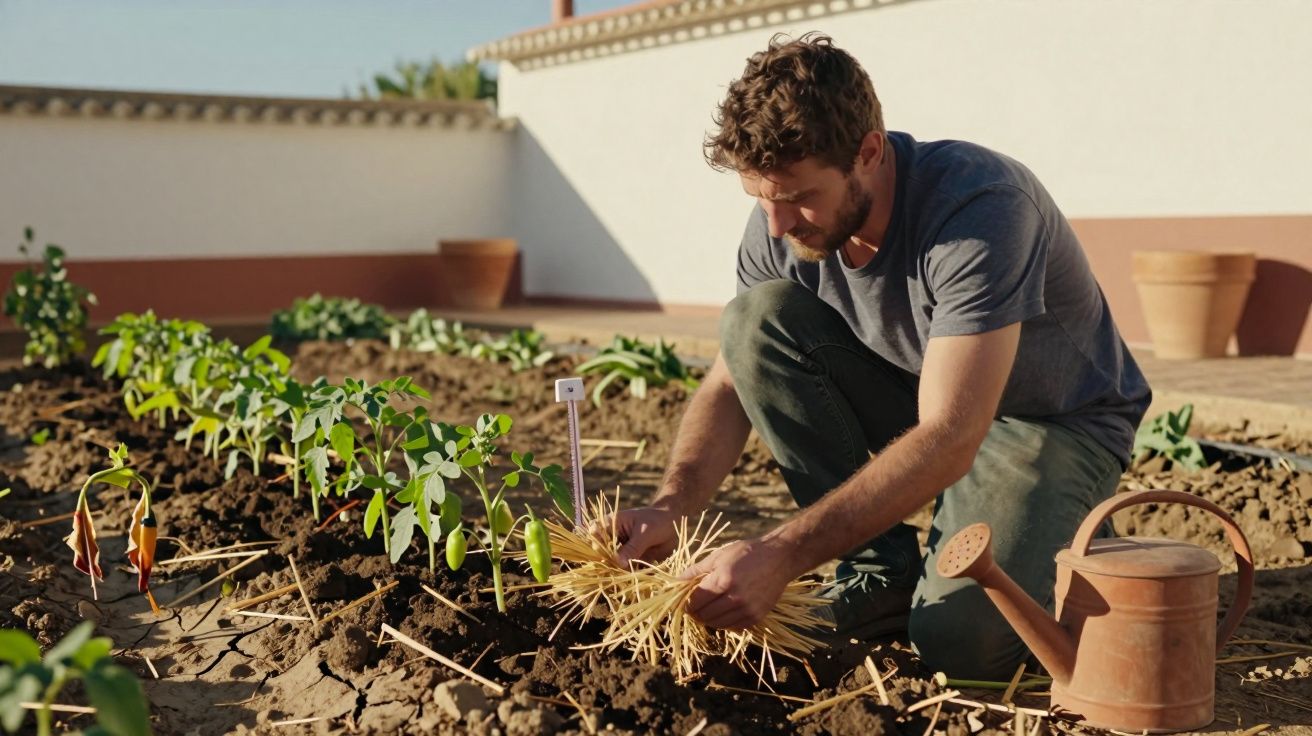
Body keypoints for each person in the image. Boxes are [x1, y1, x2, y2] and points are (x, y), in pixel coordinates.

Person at [609, 33, 1152, 679]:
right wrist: (672, 504)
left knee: (960, 647)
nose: (777, 225)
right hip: (928, 398)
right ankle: (879, 572)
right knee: (754, 320)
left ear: (868, 152)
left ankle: (1062, 536)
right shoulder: (779, 220)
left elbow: (951, 436)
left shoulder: (979, 208)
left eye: (798, 197)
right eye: (761, 198)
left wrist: (780, 553)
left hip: (1051, 422)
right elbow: (731, 383)